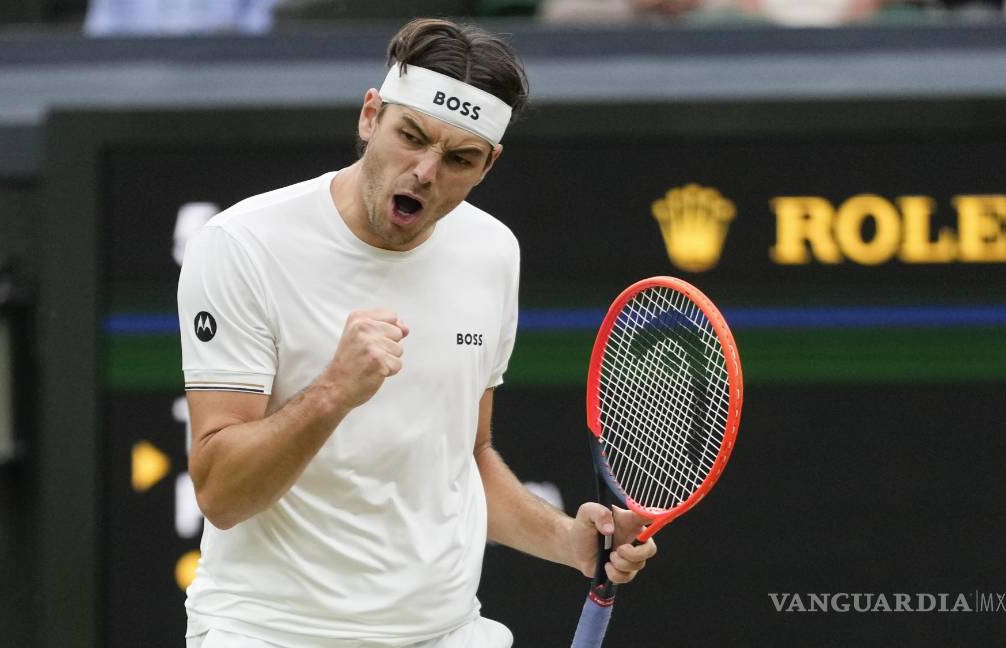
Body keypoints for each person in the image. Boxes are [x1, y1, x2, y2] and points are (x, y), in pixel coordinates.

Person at [177, 17, 658, 648]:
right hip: (268, 632)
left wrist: (569, 541)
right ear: (369, 116)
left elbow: (467, 456)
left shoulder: (493, 251)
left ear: (488, 165)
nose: (426, 172)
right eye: (411, 136)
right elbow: (220, 493)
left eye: (459, 158)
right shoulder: (241, 246)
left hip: (446, 632)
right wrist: (333, 392)